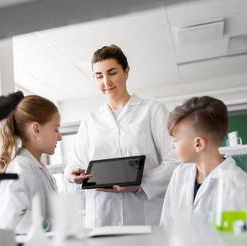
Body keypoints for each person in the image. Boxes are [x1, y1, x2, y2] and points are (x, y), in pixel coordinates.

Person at [64, 44, 178, 228]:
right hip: (102, 216)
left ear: (126, 72)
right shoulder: (90, 120)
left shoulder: (152, 111)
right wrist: (73, 175)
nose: (106, 82)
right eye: (99, 76)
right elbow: (73, 164)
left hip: (145, 213)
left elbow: (175, 160)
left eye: (112, 72)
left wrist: (141, 185)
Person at [160, 96, 247, 226]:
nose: (172, 146)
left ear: (198, 144)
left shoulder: (240, 187)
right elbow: (166, 225)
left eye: (175, 140)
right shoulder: (179, 175)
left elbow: (241, 242)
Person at [0, 95, 62, 234]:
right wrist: (52, 225)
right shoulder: (21, 168)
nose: (59, 137)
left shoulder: (36, 167)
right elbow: (13, 221)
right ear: (36, 129)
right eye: (56, 129)